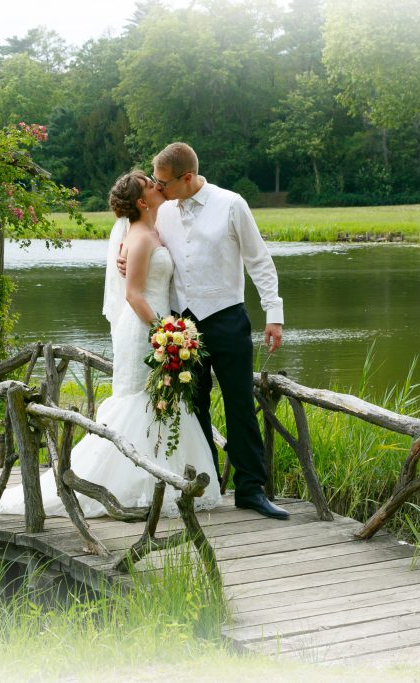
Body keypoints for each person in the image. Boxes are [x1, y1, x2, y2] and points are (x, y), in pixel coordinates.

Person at [0, 170, 222, 518]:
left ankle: (156, 484)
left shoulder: (153, 231)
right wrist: (166, 332)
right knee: (140, 402)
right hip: (145, 329)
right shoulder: (141, 237)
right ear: (141, 201)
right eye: (151, 185)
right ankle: (127, 486)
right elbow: (132, 295)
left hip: (156, 324)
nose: (157, 186)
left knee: (159, 403)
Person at [121, 142, 289, 520]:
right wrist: (124, 256)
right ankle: (206, 486)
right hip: (182, 328)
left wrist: (273, 314)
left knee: (240, 406)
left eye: (164, 183)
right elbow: (143, 245)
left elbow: (259, 260)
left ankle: (251, 490)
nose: (158, 189)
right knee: (192, 409)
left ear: (188, 177)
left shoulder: (231, 204)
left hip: (228, 319)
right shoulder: (162, 213)